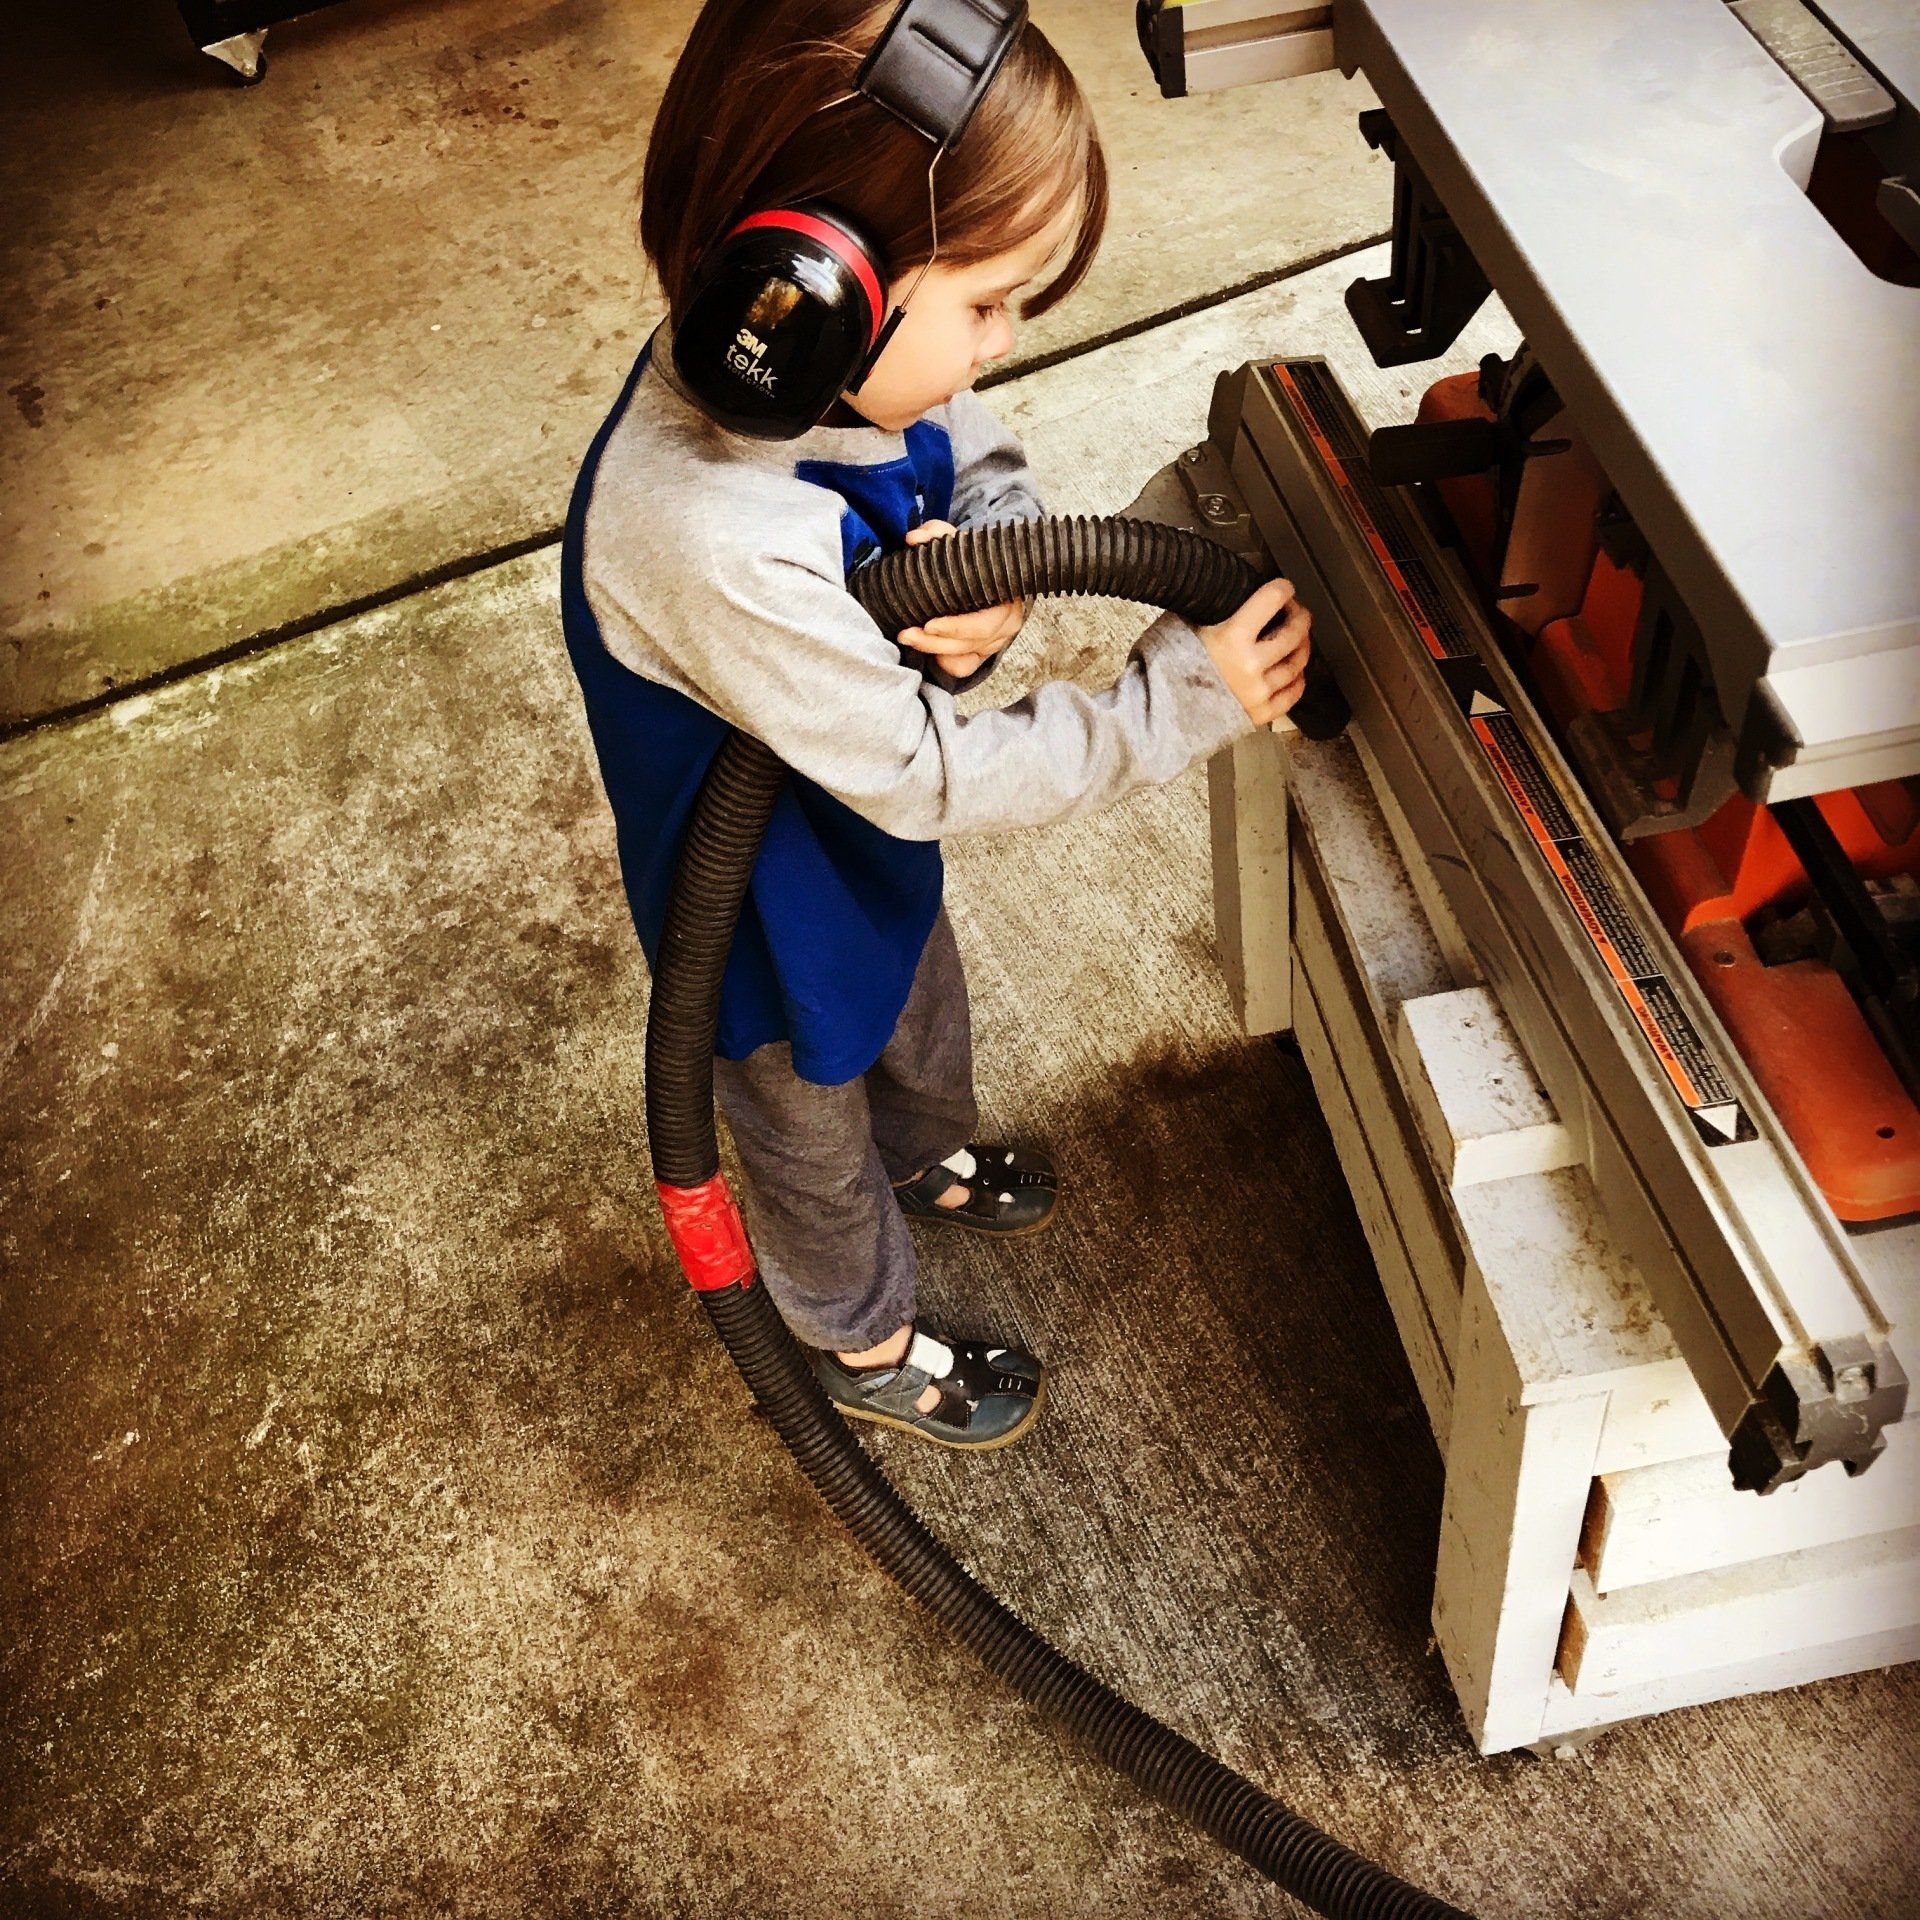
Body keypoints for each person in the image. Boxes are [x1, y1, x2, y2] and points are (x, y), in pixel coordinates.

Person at [560, 0, 1312, 1451]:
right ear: (814, 281)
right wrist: (1180, 699)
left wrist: (1003, 549)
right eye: (987, 303)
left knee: (915, 1012)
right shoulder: (705, 527)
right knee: (807, 1140)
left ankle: (928, 1154)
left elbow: (961, 437)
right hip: (760, 930)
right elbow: (930, 773)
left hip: (852, 848)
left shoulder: (821, 354)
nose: (1000, 346)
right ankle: (864, 1339)